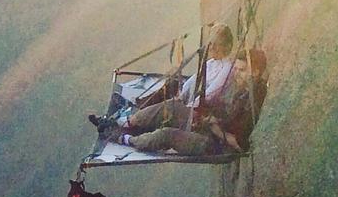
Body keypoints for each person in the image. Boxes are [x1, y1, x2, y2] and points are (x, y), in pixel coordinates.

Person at [111, 47, 267, 157]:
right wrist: (207, 115)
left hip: (215, 145)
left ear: (256, 72)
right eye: (237, 70)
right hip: (209, 126)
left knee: (167, 135)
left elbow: (238, 144)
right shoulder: (240, 87)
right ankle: (126, 122)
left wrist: (214, 126)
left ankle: (125, 139)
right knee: (173, 107)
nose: (237, 74)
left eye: (242, 70)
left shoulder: (253, 100)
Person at [88, 24, 236, 137]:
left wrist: (185, 104)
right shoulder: (212, 62)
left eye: (214, 46)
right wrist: (181, 94)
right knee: (172, 84)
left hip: (200, 112)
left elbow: (211, 94)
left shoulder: (227, 69)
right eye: (211, 46)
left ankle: (121, 123)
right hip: (191, 99)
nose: (211, 49)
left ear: (224, 47)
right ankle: (138, 109)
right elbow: (193, 80)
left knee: (169, 108)